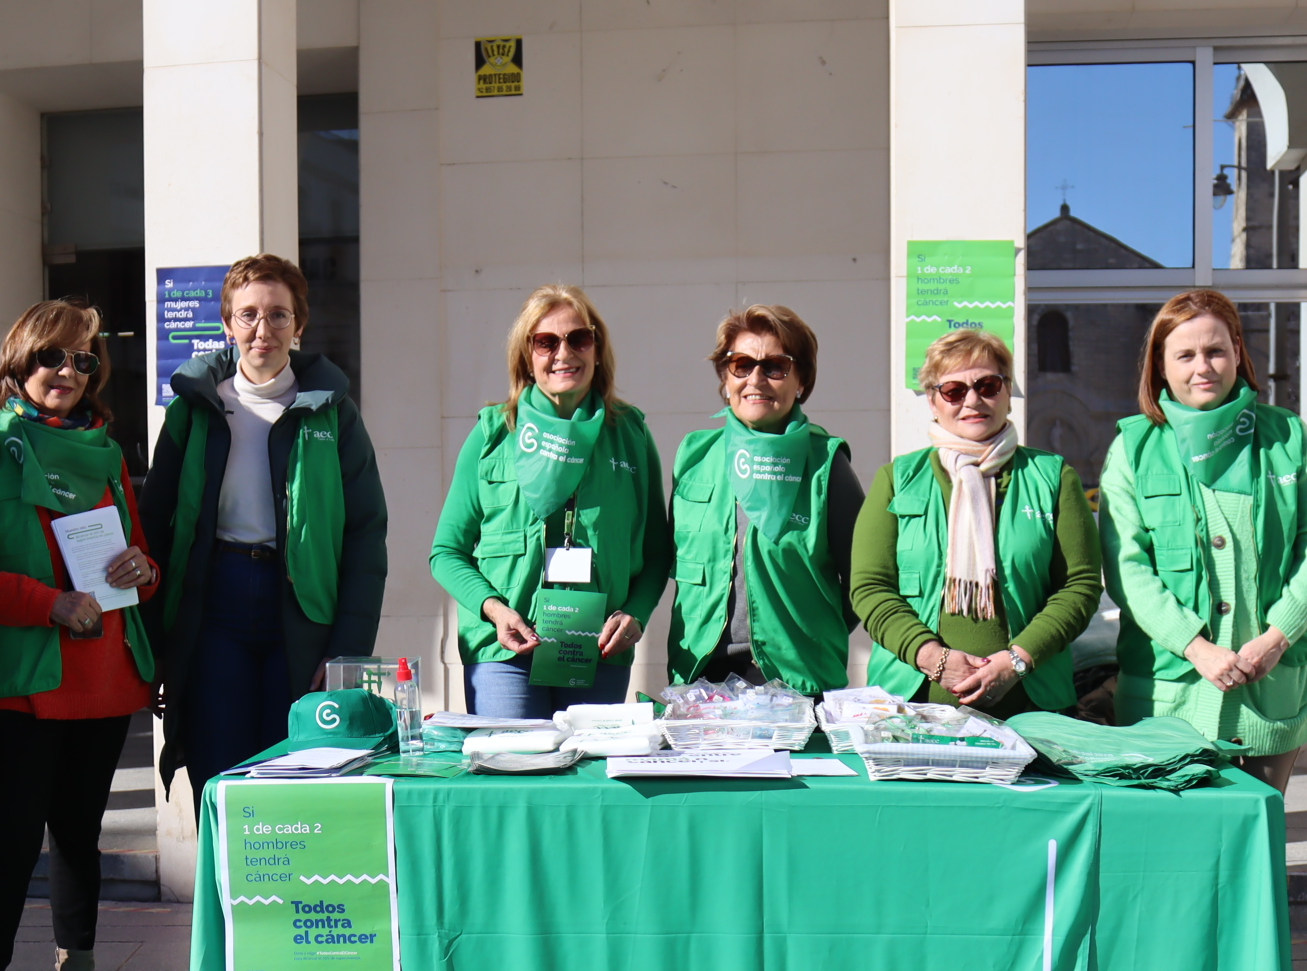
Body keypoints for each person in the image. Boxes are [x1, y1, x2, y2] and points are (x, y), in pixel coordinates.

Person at [0, 299, 161, 971]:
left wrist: (145, 569)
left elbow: (136, 557)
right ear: (16, 368)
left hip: (105, 675)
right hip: (25, 684)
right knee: (9, 848)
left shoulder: (104, 451)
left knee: (80, 843)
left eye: (80, 362)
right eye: (50, 360)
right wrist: (46, 603)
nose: (66, 374)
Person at [142, 254, 387, 795]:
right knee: (219, 772)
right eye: (248, 314)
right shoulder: (192, 410)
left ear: (299, 325)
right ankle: (227, 884)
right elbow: (155, 527)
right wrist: (156, 642)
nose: (262, 329)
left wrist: (348, 648)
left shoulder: (334, 412)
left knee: (297, 772)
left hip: (300, 609)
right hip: (215, 606)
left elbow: (366, 536)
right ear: (227, 324)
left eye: (279, 315)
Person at [1097, 289, 1307, 791]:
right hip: (1168, 695)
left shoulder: (1286, 437)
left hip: (1271, 691)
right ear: (1160, 367)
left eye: (1215, 351)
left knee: (1258, 843)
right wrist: (1196, 647)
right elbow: (1127, 569)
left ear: (1237, 354)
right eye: (1184, 355)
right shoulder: (1133, 449)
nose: (1202, 367)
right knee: (1173, 853)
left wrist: (1277, 638)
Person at [429, 284, 671, 718]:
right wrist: (495, 610)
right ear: (527, 356)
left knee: (586, 782)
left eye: (579, 338)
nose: (564, 353)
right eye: (546, 342)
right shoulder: (492, 434)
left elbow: (656, 553)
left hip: (597, 651)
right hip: (504, 653)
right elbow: (446, 553)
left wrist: (635, 617)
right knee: (514, 770)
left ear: (597, 349)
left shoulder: (631, 435)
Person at [850, 328, 1101, 715]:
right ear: (933, 401)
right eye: (953, 390)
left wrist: (1016, 660)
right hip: (909, 707)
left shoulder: (1054, 477)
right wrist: (931, 656)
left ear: (1007, 394)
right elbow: (870, 588)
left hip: (1033, 709)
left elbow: (1079, 587)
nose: (972, 400)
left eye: (987, 385)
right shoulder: (897, 479)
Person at [665, 304, 863, 696]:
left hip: (795, 682)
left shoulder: (826, 464)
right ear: (726, 376)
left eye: (775, 366)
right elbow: (665, 557)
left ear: (801, 381)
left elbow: (862, 582)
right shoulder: (695, 456)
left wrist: (806, 631)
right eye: (741, 364)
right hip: (700, 681)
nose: (756, 378)